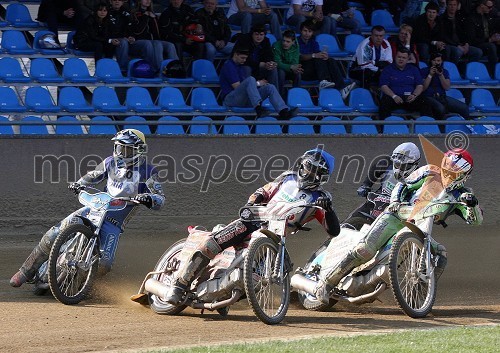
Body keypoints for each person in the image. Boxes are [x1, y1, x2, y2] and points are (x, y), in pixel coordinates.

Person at [163, 148, 341, 305]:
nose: (309, 172)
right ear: (301, 165)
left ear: (322, 176)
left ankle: (225, 296)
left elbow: (333, 231)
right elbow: (263, 191)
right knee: (212, 244)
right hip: (252, 222)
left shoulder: (321, 198)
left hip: (275, 236)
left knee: (256, 279)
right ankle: (180, 284)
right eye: (307, 166)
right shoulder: (286, 178)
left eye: (315, 170)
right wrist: (252, 203)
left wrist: (329, 209)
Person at [314, 148, 483, 304]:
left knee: (440, 255)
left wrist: (471, 205)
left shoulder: (463, 195)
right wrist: (395, 201)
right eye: (447, 169)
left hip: (421, 227)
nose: (448, 174)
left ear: (464, 175)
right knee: (364, 249)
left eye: (454, 172)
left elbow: (476, 220)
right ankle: (326, 283)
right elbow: (402, 183)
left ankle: (420, 294)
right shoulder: (429, 171)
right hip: (397, 216)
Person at [10, 129, 165, 288]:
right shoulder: (110, 162)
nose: (122, 153)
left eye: (126, 149)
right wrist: (79, 184)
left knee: (105, 263)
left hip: (113, 223)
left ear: (138, 150)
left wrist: (149, 198)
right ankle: (25, 271)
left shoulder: (148, 172)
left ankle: (81, 287)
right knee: (53, 234)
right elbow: (93, 176)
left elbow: (160, 198)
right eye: (119, 148)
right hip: (94, 209)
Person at [344, 142, 421, 228]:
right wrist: (366, 185)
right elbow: (374, 170)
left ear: (413, 164)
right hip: (377, 199)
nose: (399, 168)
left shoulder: (420, 175)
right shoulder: (386, 162)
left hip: (399, 208)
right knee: (351, 219)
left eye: (403, 165)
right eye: (397, 164)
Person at [220, 46, 298, 120]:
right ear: (235, 54)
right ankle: (258, 108)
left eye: (245, 58)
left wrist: (258, 85)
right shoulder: (229, 66)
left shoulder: (240, 66)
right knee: (251, 79)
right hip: (230, 99)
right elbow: (237, 87)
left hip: (243, 99)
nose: (244, 60)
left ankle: (283, 112)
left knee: (270, 87)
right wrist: (257, 84)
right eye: (242, 58)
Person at [298, 20, 356, 97]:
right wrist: (314, 55)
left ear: (312, 33)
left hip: (314, 71)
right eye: (305, 31)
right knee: (318, 58)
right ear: (301, 31)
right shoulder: (296, 42)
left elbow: (318, 55)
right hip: (302, 71)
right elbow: (300, 57)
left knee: (330, 60)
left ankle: (341, 88)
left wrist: (324, 56)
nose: (307, 33)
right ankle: (323, 81)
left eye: (309, 31)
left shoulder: (313, 42)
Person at [378, 48, 432, 120]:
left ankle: (427, 128)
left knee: (425, 102)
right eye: (399, 57)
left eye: (404, 58)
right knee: (384, 103)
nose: (401, 59)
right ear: (395, 57)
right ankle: (384, 128)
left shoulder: (414, 69)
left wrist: (414, 95)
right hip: (394, 98)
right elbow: (383, 86)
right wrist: (394, 96)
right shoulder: (388, 69)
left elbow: (419, 85)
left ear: (407, 59)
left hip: (410, 98)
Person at [107, 0, 156, 74]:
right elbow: (107, 31)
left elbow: (133, 29)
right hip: (114, 42)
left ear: (123, 2)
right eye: (114, 0)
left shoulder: (128, 13)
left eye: (119, 0)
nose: (117, 2)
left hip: (128, 41)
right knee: (123, 42)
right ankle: (123, 70)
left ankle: (148, 68)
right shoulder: (105, 12)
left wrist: (132, 37)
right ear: (110, 2)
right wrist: (123, 37)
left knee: (147, 43)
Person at [131, 0, 179, 73]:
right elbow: (137, 31)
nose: (148, 1)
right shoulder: (134, 14)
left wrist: (154, 19)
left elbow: (157, 33)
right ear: (140, 1)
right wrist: (145, 16)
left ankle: (176, 68)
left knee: (170, 45)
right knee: (155, 43)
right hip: (138, 40)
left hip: (153, 41)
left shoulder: (152, 14)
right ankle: (160, 69)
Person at [420, 52, 470, 119]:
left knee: (464, 108)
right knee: (440, 109)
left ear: (441, 61)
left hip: (442, 97)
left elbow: (447, 87)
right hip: (428, 97)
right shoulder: (424, 71)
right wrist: (430, 75)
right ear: (430, 61)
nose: (436, 63)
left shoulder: (444, 72)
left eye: (438, 61)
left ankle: (467, 126)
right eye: (434, 60)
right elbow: (423, 88)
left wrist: (441, 75)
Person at [233, 24, 279, 89]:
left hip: (258, 69)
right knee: (247, 68)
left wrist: (271, 63)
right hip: (243, 66)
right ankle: (247, 94)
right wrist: (259, 64)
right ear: (252, 34)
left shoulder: (266, 41)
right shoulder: (244, 40)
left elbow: (269, 56)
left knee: (272, 68)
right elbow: (241, 59)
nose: (259, 37)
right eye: (256, 34)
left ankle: (274, 94)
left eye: (261, 35)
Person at [349, 25, 393, 89]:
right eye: (376, 35)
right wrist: (378, 69)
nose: (378, 38)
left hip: (377, 69)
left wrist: (374, 63)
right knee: (367, 72)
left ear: (384, 36)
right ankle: (365, 94)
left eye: (381, 36)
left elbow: (388, 62)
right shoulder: (365, 45)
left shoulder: (386, 44)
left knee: (391, 74)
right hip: (357, 69)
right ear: (371, 35)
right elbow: (364, 65)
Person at [440, 0, 483, 66]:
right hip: (449, 44)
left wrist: (466, 43)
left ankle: (467, 70)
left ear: (457, 6)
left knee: (478, 52)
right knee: (458, 52)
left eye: (454, 5)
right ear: (447, 6)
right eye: (450, 5)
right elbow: (444, 36)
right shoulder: (442, 18)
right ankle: (453, 70)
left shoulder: (461, 18)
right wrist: (457, 45)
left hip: (461, 44)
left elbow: (465, 33)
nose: (452, 7)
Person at [466, 0, 499, 76]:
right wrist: (489, 40)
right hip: (477, 44)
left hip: (488, 42)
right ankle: (493, 74)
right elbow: (472, 39)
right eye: (489, 7)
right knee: (491, 47)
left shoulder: (488, 16)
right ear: (482, 6)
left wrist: (496, 37)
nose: (491, 9)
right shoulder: (471, 18)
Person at [273, 29, 303, 97]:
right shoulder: (276, 46)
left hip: (289, 69)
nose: (285, 43)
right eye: (283, 40)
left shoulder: (296, 47)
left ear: (293, 42)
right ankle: (278, 96)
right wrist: (291, 67)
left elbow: (295, 62)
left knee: (298, 73)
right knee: (281, 72)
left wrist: (295, 68)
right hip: (279, 70)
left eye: (288, 42)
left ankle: (295, 97)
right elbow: (277, 63)